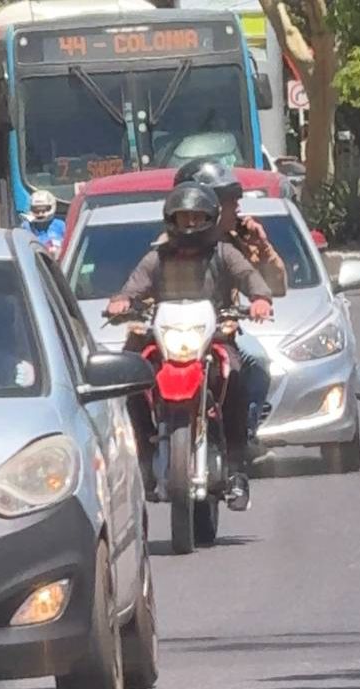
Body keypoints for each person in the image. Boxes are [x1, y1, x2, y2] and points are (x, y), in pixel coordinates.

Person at [107, 182, 272, 503]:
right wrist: (123, 301)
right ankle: (144, 458)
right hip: (167, 339)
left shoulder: (224, 253)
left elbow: (250, 276)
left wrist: (260, 299)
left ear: (210, 218)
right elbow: (134, 286)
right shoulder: (158, 256)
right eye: (185, 219)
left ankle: (237, 470)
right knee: (134, 380)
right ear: (172, 220)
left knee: (235, 375)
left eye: (198, 218)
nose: (191, 225)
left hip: (215, 340)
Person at [173, 158, 287, 452]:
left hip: (222, 330)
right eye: (228, 201)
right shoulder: (169, 244)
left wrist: (261, 245)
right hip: (177, 332)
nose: (236, 207)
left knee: (257, 362)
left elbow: (274, 286)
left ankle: (243, 434)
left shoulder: (235, 244)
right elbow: (147, 282)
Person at [21, 190, 65, 258]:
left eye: (44, 210)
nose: (40, 214)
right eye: (36, 210)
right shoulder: (26, 226)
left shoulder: (60, 225)